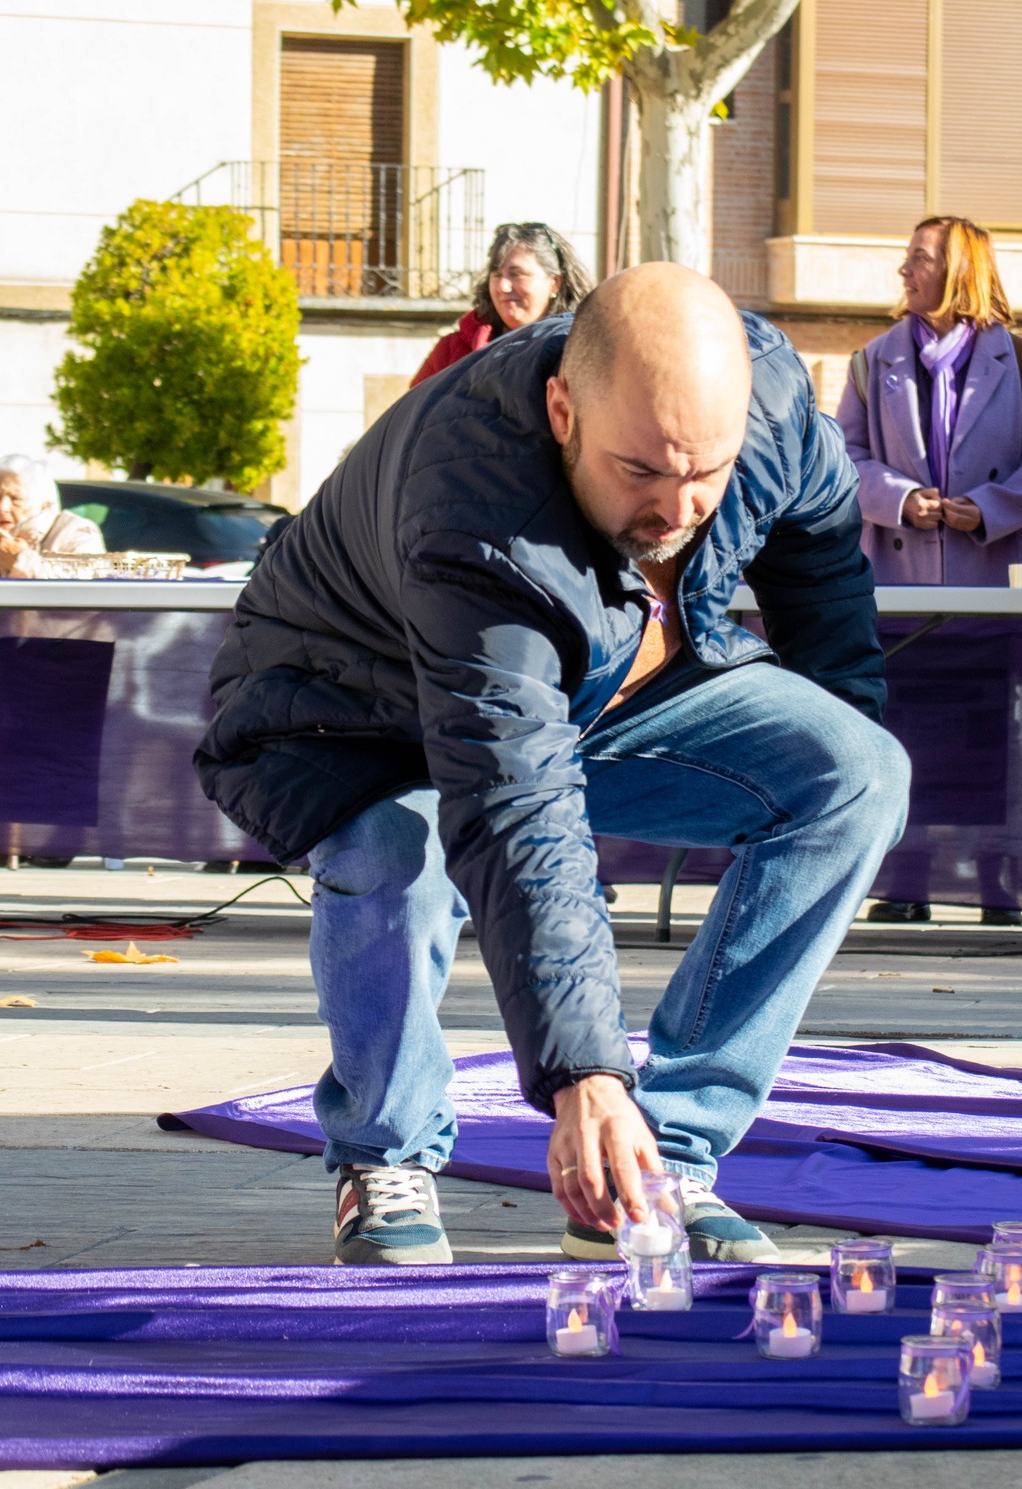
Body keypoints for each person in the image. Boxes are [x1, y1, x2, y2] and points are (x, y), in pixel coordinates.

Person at [196, 264, 909, 1267]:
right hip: (353, 702)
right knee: (399, 847)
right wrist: (583, 1074)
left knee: (857, 775)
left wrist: (821, 826)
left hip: (603, 680)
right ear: (562, 407)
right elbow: (513, 800)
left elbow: (825, 588)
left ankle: (659, 1158)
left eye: (705, 472)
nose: (677, 509)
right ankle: (385, 1154)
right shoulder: (475, 500)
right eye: (640, 473)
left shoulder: (779, 405)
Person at [838, 216, 1022, 928]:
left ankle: (995, 878)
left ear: (958, 270)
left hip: (991, 592)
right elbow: (842, 458)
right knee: (903, 731)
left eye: (918, 259)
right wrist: (902, 499)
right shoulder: (868, 360)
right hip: (902, 595)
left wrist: (989, 508)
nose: (903, 270)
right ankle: (906, 875)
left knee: (993, 737)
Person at [411, 223, 595, 386]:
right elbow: (412, 417)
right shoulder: (451, 350)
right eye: (496, 274)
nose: (502, 287)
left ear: (554, 282)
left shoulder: (583, 350)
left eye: (517, 274)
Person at [0, 454, 103, 578]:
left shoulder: (76, 533)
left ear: (43, 503)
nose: (3, 508)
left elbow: (85, 592)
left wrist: (22, 562)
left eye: (15, 499)